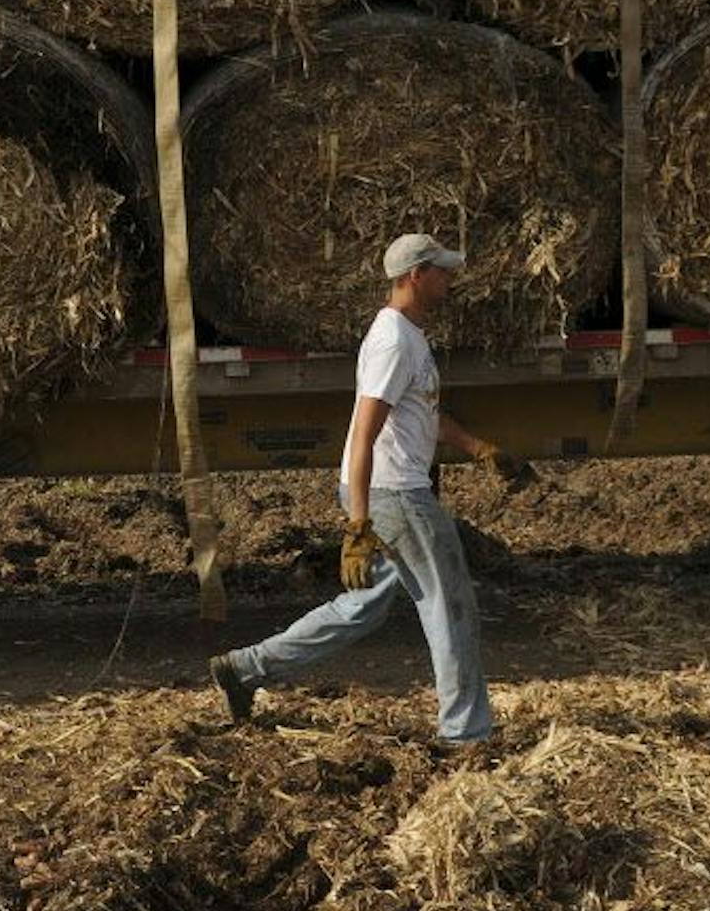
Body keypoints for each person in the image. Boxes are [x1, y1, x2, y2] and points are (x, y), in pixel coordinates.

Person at [207, 233, 504, 747]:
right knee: (450, 603)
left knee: (361, 606)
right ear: (415, 275)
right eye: (442, 272)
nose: (450, 281)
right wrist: (358, 524)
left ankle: (246, 667)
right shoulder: (393, 340)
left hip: (385, 492)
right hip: (396, 494)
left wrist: (479, 448)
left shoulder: (407, 334)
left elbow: (419, 416)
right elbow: (365, 431)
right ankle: (466, 735)